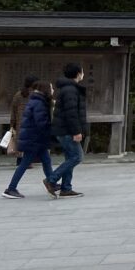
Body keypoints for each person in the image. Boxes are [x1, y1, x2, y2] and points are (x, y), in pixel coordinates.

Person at [3, 82, 58, 199]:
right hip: (34, 139)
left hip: (35, 138)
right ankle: (11, 188)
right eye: (51, 88)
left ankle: (52, 182)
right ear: (46, 90)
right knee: (24, 163)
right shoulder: (39, 103)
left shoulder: (36, 100)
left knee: (46, 160)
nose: (53, 90)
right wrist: (52, 130)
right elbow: (41, 122)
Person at [46, 63, 88, 199]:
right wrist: (76, 131)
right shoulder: (71, 90)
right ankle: (51, 180)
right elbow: (71, 113)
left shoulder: (68, 88)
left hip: (63, 129)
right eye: (82, 71)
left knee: (70, 158)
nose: (83, 74)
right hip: (67, 130)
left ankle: (66, 188)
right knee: (77, 157)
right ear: (78, 73)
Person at [8, 75, 38, 159]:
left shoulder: (18, 94)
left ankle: (20, 161)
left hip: (20, 124)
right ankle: (27, 162)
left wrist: (12, 124)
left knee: (21, 145)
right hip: (32, 124)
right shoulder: (35, 95)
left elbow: (13, 110)